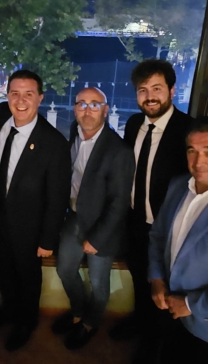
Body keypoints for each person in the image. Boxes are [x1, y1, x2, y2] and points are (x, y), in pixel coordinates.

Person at [109, 59, 193, 352]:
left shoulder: (188, 131)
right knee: (139, 277)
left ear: (172, 90)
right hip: (135, 221)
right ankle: (140, 322)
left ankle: (153, 344)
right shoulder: (133, 124)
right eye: (143, 90)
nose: (150, 96)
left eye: (157, 88)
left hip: (169, 230)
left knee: (163, 289)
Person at [0, 69, 71, 351]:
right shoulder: (0, 117)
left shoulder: (54, 143)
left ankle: (27, 322)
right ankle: (10, 310)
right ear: (7, 95)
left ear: (40, 98)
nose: (20, 101)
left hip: (29, 225)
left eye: (28, 94)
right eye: (14, 93)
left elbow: (58, 197)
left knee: (27, 276)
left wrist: (48, 240)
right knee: (1, 268)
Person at [148, 116, 208, 364]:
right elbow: (158, 236)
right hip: (169, 312)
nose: (198, 161)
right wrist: (157, 278)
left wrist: (190, 304)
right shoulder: (179, 185)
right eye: (192, 151)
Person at [52, 88, 134, 349]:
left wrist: (97, 238)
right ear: (74, 109)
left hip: (103, 226)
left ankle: (90, 323)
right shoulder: (72, 136)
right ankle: (78, 313)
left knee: (99, 282)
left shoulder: (118, 150)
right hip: (75, 217)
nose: (87, 110)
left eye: (94, 105)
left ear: (106, 110)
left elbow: (120, 201)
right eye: (82, 104)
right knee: (65, 269)